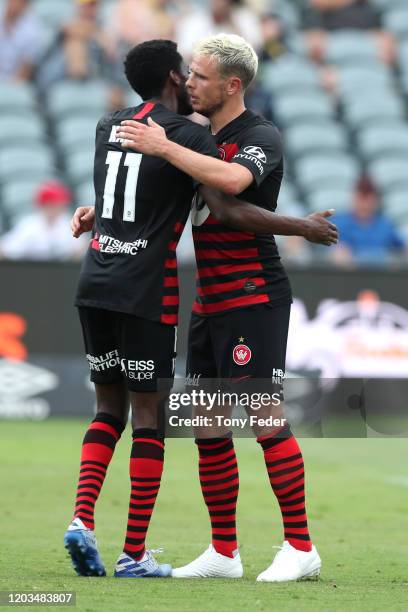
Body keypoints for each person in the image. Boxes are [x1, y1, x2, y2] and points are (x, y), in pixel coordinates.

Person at [66, 37, 336, 581]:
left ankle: (301, 546)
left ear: (232, 85)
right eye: (187, 73)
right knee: (208, 426)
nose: (188, 83)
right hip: (210, 301)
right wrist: (108, 212)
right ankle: (223, 552)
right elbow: (172, 190)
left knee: (262, 415)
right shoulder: (196, 137)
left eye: (200, 76)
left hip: (253, 293)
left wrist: (303, 226)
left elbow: (232, 195)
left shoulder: (258, 136)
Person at [0, 180, 84, 261]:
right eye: (52, 204)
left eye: (60, 204)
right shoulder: (29, 226)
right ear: (44, 205)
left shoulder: (67, 224)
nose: (57, 208)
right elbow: (4, 250)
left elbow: (82, 248)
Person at [330, 175, 405, 265]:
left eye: (368, 197)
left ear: (376, 200)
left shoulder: (385, 225)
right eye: (361, 197)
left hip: (382, 275)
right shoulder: (339, 223)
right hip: (350, 276)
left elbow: (402, 248)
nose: (364, 203)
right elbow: (335, 253)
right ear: (354, 198)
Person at [0, 0, 42, 81]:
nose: (14, 4)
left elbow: (24, 71)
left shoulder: (33, 32)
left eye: (19, 2)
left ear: (26, 5)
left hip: (11, 81)